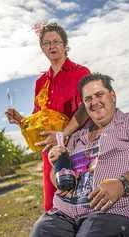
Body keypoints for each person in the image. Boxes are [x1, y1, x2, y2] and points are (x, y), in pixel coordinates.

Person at [30, 73, 129, 237]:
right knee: (41, 231)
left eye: (99, 94)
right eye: (88, 99)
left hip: (117, 211)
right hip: (66, 215)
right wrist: (58, 171)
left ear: (112, 96)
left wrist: (123, 183)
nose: (95, 102)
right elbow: (56, 176)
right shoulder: (75, 138)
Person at [5, 23, 90, 211]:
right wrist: (21, 120)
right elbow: (38, 119)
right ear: (42, 48)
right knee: (53, 208)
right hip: (49, 152)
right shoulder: (41, 82)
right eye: (46, 43)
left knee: (80, 203)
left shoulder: (81, 73)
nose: (51, 46)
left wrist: (62, 134)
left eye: (56, 42)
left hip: (77, 149)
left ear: (65, 45)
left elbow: (85, 109)